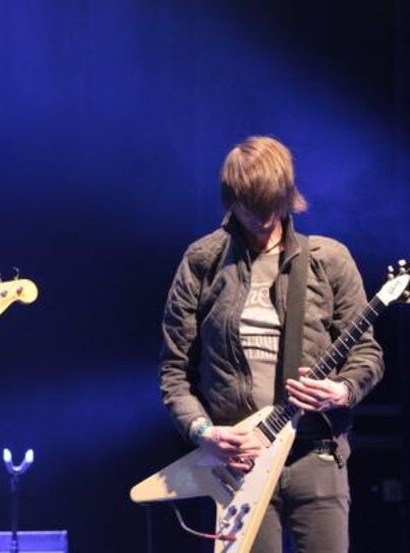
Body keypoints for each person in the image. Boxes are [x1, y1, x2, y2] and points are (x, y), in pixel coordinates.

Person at [159, 136, 383, 552]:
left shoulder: (328, 260)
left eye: (272, 207)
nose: (263, 220)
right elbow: (175, 371)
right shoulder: (202, 262)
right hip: (240, 462)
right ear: (232, 199)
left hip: (315, 452)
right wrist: (204, 431)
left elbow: (366, 354)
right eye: (251, 208)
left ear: (288, 197)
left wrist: (342, 390)